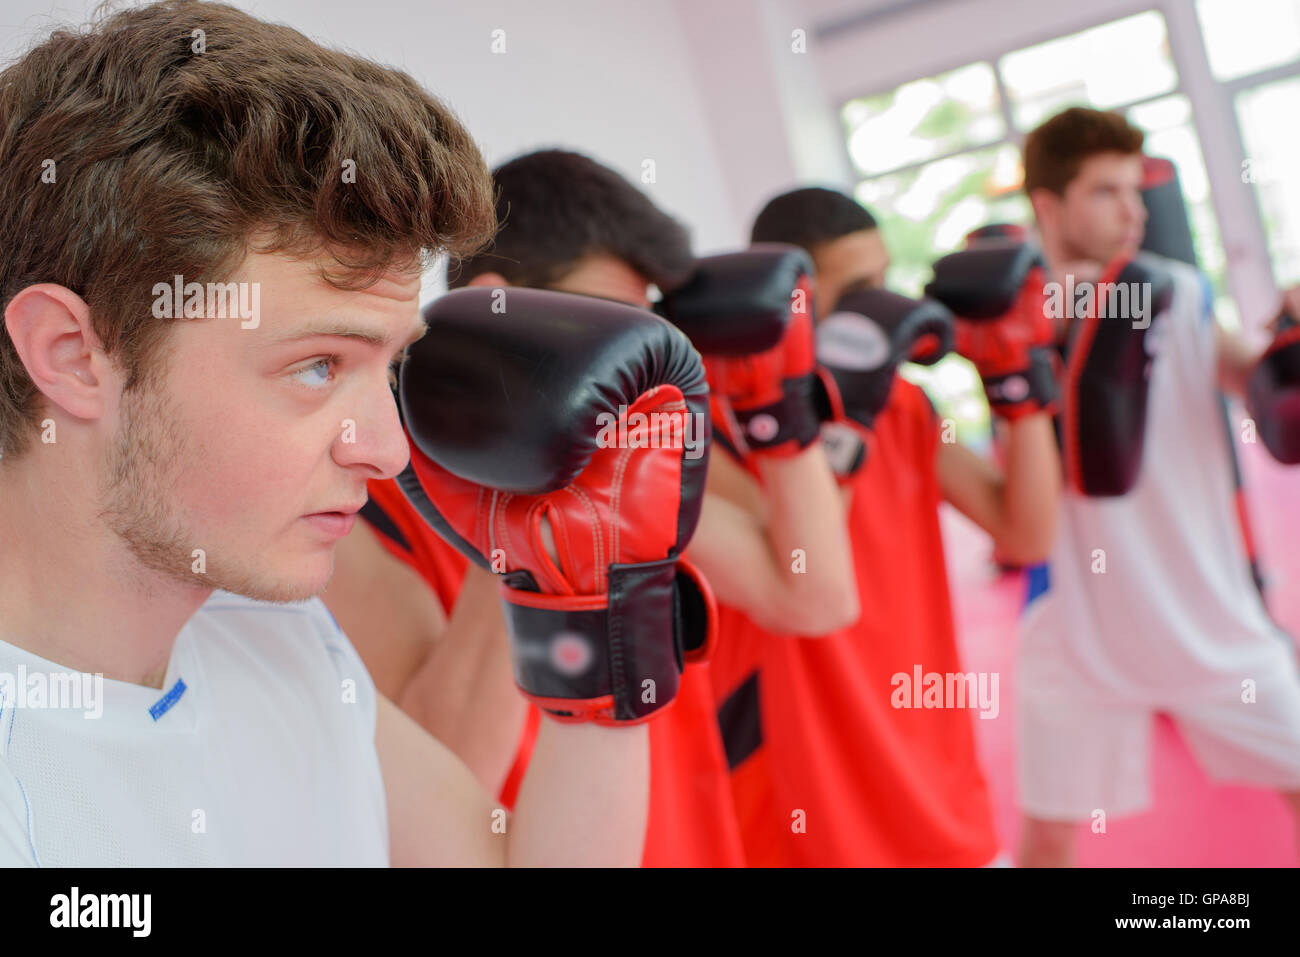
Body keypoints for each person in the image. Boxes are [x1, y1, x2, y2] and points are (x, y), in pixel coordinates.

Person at [0, 0, 668, 866]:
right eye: (318, 365)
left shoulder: (277, 636)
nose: (389, 451)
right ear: (74, 355)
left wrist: (591, 615)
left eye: (385, 368)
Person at [322, 149, 861, 866]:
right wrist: (523, 548)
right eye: (610, 320)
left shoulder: (631, 469)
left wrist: (780, 412)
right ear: (497, 306)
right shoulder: (367, 495)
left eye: (643, 330)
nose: (624, 358)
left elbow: (814, 599)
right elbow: (434, 784)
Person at [702, 187, 1061, 866]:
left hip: (937, 775)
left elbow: (1026, 534)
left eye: (883, 280)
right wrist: (844, 418)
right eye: (857, 289)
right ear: (793, 299)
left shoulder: (901, 401)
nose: (883, 305)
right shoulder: (717, 425)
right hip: (813, 802)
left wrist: (1016, 382)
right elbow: (800, 561)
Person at [1015, 106, 1300, 866]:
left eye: (1136, 190)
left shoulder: (1178, 289)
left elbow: (1252, 383)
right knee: (1047, 839)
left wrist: (1292, 343)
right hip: (1075, 622)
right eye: (1106, 191)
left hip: (1205, 607)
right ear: (1048, 204)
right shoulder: (1019, 308)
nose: (1133, 209)